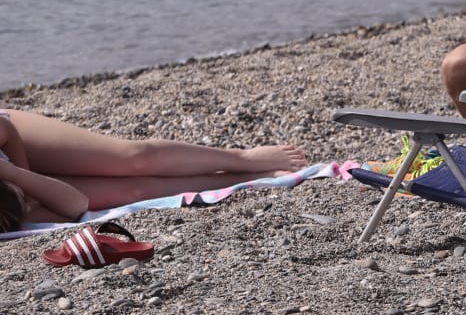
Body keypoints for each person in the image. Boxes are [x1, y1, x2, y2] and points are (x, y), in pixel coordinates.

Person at [0, 108, 308, 230]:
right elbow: (75, 207)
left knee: (130, 158)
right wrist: (23, 186)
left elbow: (6, 130)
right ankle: (246, 178)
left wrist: (19, 173)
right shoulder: (10, 217)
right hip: (13, 187)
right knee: (132, 192)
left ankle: (241, 159)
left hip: (12, 138)